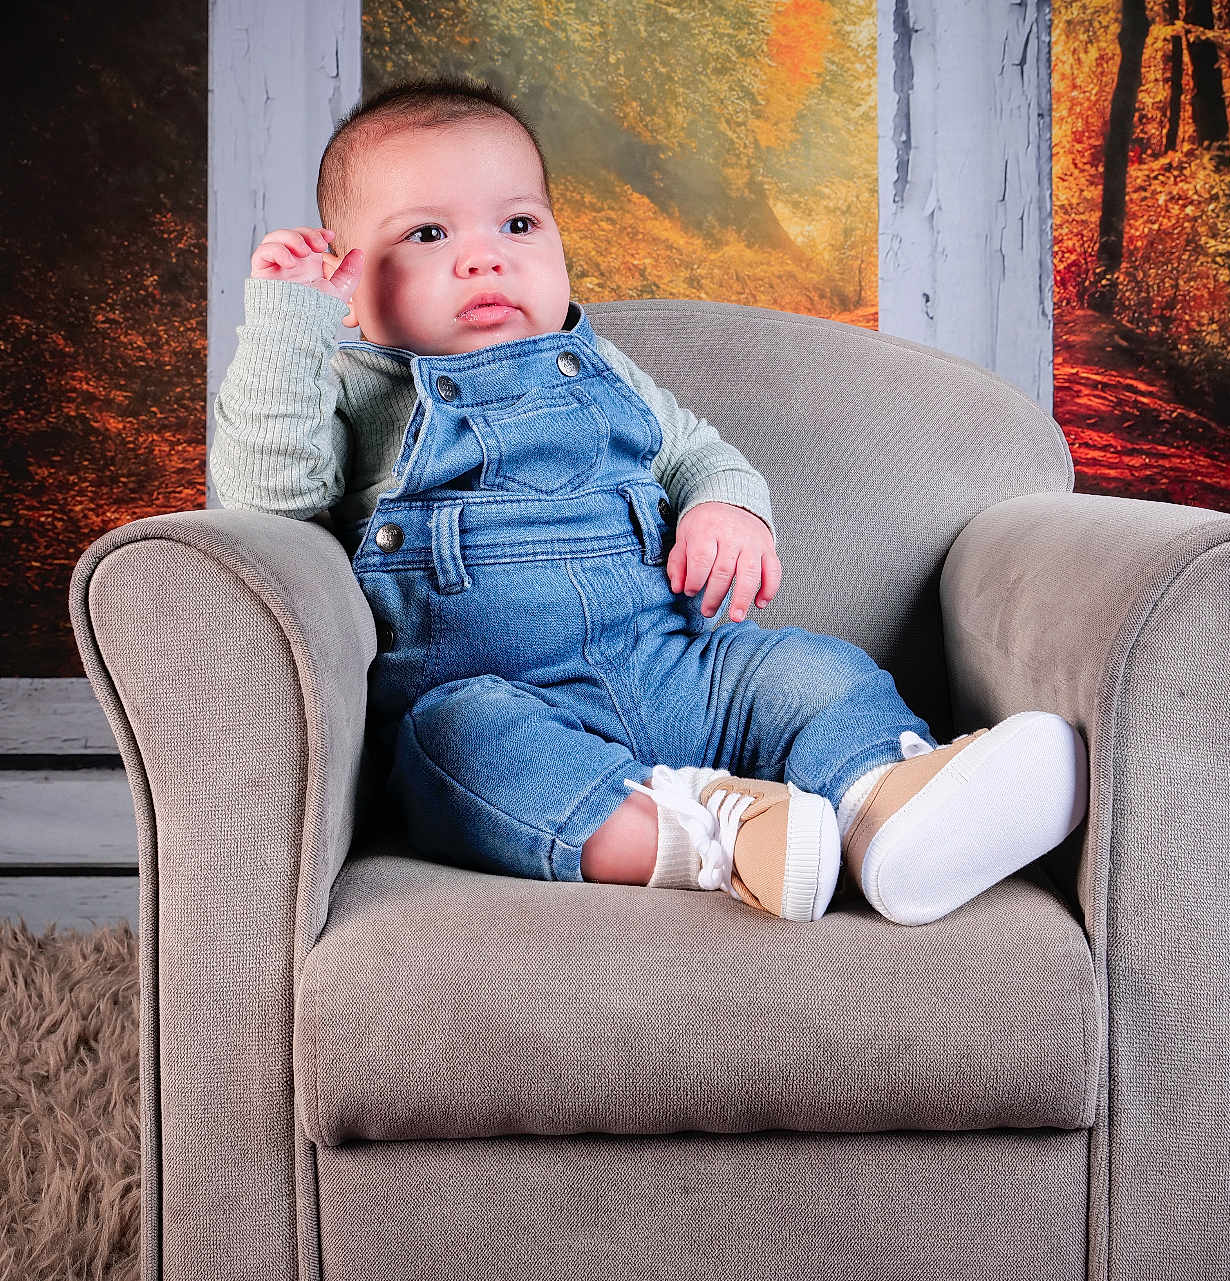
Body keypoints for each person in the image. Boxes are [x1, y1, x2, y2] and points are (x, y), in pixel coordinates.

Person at [210, 74, 1088, 925]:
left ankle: (886, 802)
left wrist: (725, 509)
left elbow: (700, 452)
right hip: (503, 696)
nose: (484, 254)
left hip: (681, 667)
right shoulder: (354, 385)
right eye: (428, 234)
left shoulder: (597, 370)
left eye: (518, 222)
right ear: (348, 287)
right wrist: (291, 328)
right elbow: (267, 504)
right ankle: (717, 832)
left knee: (807, 670)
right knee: (451, 750)